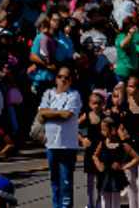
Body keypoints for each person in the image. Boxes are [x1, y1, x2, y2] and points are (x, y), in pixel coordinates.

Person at [39, 67, 84, 208]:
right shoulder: (48, 93)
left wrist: (49, 113)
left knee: (66, 182)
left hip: (67, 146)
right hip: (51, 145)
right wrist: (58, 112)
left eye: (66, 77)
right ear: (56, 79)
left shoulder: (74, 95)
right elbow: (41, 113)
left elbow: (67, 115)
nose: (63, 79)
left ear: (71, 80)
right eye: (60, 76)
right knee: (54, 182)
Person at [89, 115, 139, 208]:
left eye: (104, 129)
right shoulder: (102, 143)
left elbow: (137, 158)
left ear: (112, 129)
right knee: (104, 200)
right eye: (101, 129)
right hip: (104, 175)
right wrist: (99, 164)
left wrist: (124, 166)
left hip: (116, 176)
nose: (102, 132)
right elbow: (94, 156)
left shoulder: (122, 145)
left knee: (116, 201)